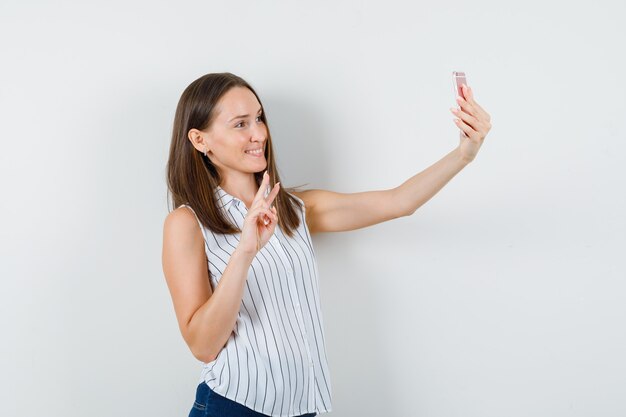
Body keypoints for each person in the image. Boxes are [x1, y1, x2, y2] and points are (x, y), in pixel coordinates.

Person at [162, 72, 492, 417]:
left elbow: (399, 202)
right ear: (200, 140)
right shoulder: (187, 224)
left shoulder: (295, 211)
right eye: (240, 124)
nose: (259, 133)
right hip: (233, 407)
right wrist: (245, 252)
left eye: (259, 118)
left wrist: (463, 155)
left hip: (304, 409)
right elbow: (202, 345)